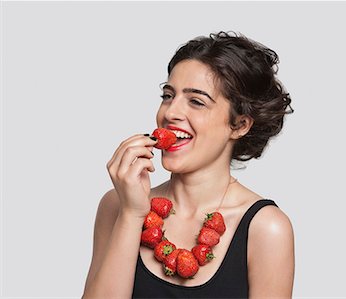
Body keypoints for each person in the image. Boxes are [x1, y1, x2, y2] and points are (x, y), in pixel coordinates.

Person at [82, 31, 295, 298]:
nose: (170, 113)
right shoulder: (116, 206)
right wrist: (131, 214)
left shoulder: (267, 228)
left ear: (239, 125)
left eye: (196, 101)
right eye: (168, 96)